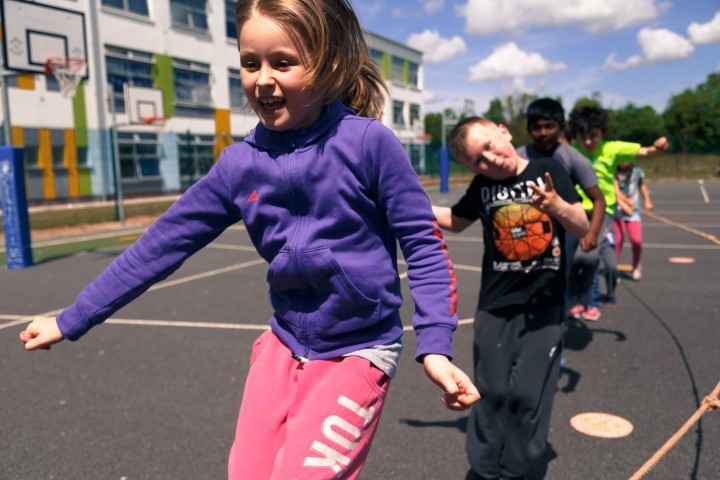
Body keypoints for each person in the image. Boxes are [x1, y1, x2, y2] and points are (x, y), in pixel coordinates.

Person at [19, 1, 479, 478]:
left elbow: (424, 245)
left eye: (283, 62)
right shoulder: (238, 166)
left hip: (357, 350)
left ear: (330, 65)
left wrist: (435, 344)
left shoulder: (369, 144)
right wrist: (73, 317)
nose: (262, 79)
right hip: (283, 345)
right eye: (250, 63)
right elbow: (158, 247)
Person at [432, 117, 589, 480]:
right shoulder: (483, 186)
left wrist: (557, 206)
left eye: (489, 146)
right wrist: (401, 204)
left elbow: (581, 225)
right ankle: (485, 469)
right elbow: (456, 220)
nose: (489, 160)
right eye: (478, 160)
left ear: (504, 132)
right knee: (491, 391)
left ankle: (517, 468)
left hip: (544, 308)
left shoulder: (548, 170)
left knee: (527, 396)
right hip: (495, 305)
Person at [566, 105, 668, 321]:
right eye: (583, 136)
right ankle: (575, 295)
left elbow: (646, 152)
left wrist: (658, 147)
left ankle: (587, 299)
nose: (588, 142)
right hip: (575, 210)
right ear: (576, 135)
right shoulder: (570, 150)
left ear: (602, 133)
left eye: (593, 136)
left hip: (602, 212)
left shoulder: (612, 149)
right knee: (569, 259)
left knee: (588, 257)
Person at [516, 98, 607, 321]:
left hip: (564, 230)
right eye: (536, 127)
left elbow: (599, 199)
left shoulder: (572, 157)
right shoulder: (519, 155)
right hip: (529, 229)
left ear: (562, 127)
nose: (543, 132)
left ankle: (574, 302)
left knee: (573, 268)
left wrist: (592, 233)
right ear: (529, 129)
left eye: (549, 126)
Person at [614, 162, 653, 281]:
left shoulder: (636, 170)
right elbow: (614, 191)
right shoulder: (613, 170)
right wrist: (625, 201)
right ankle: (614, 269)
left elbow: (641, 184)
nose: (624, 162)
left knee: (636, 241)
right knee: (618, 240)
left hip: (633, 211)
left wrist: (647, 200)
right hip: (617, 210)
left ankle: (636, 266)